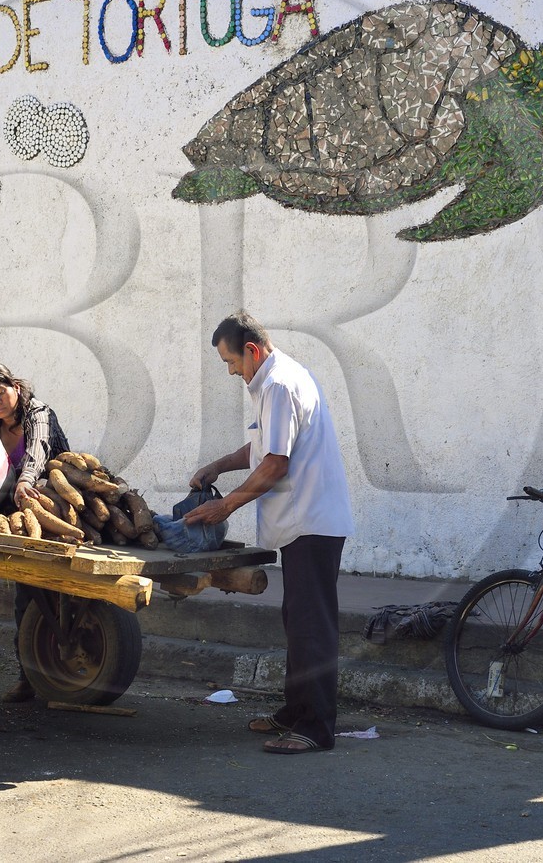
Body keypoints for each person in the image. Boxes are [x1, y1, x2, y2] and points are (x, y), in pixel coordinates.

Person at [187, 311, 354, 754]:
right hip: (306, 522)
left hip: (311, 521)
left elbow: (275, 462)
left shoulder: (278, 384)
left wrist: (224, 505)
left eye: (231, 362)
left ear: (252, 351)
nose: (231, 372)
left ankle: (315, 728)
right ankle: (296, 710)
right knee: (296, 622)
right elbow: (264, 446)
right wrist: (219, 464)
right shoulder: (277, 380)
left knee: (311, 627)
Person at [0, 361, 70, 703]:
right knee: (25, 597)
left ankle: (64, 672)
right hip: (19, 520)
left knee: (62, 594)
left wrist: (27, 480)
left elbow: (38, 451)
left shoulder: (38, 414)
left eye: (0, 392)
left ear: (15, 386)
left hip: (55, 506)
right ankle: (28, 677)